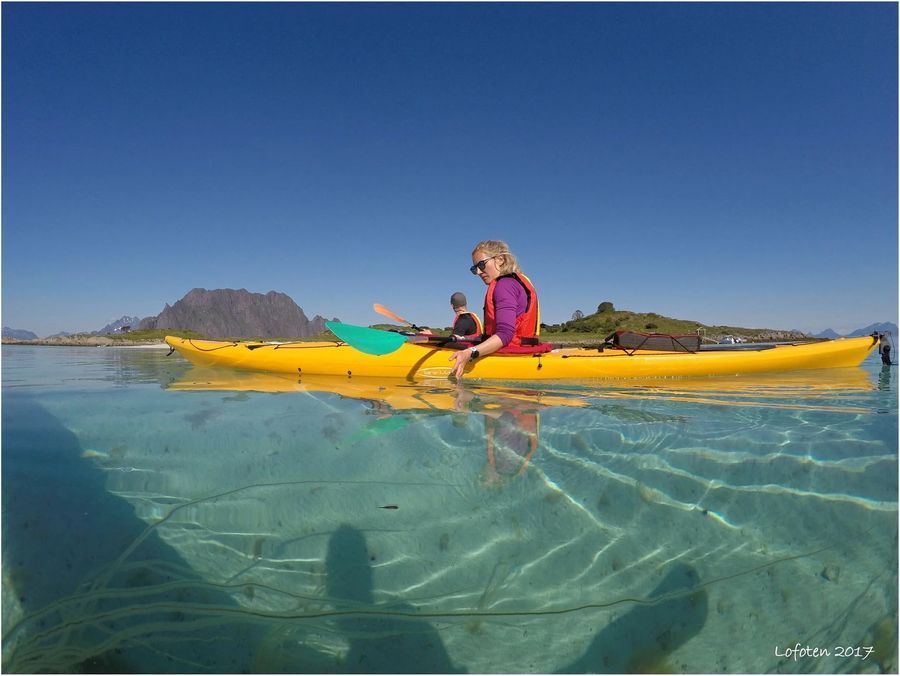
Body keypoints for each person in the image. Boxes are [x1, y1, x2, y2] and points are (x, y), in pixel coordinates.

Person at [449, 240, 547, 379]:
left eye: (481, 264)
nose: (478, 272)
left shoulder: (504, 286)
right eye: (474, 268)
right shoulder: (513, 283)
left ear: (500, 259)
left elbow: (505, 335)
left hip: (512, 353)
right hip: (524, 349)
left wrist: (470, 352)